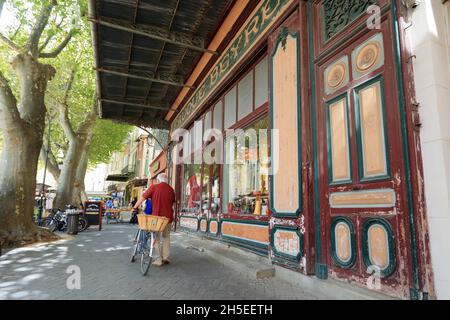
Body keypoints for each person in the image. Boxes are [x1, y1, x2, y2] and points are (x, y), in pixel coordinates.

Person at [132, 173, 175, 267]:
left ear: (158, 180)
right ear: (167, 180)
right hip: (168, 218)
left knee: (156, 237)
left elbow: (142, 198)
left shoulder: (154, 187)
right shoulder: (171, 189)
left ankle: (159, 259)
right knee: (166, 237)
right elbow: (172, 203)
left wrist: (134, 207)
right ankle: (165, 257)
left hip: (157, 218)